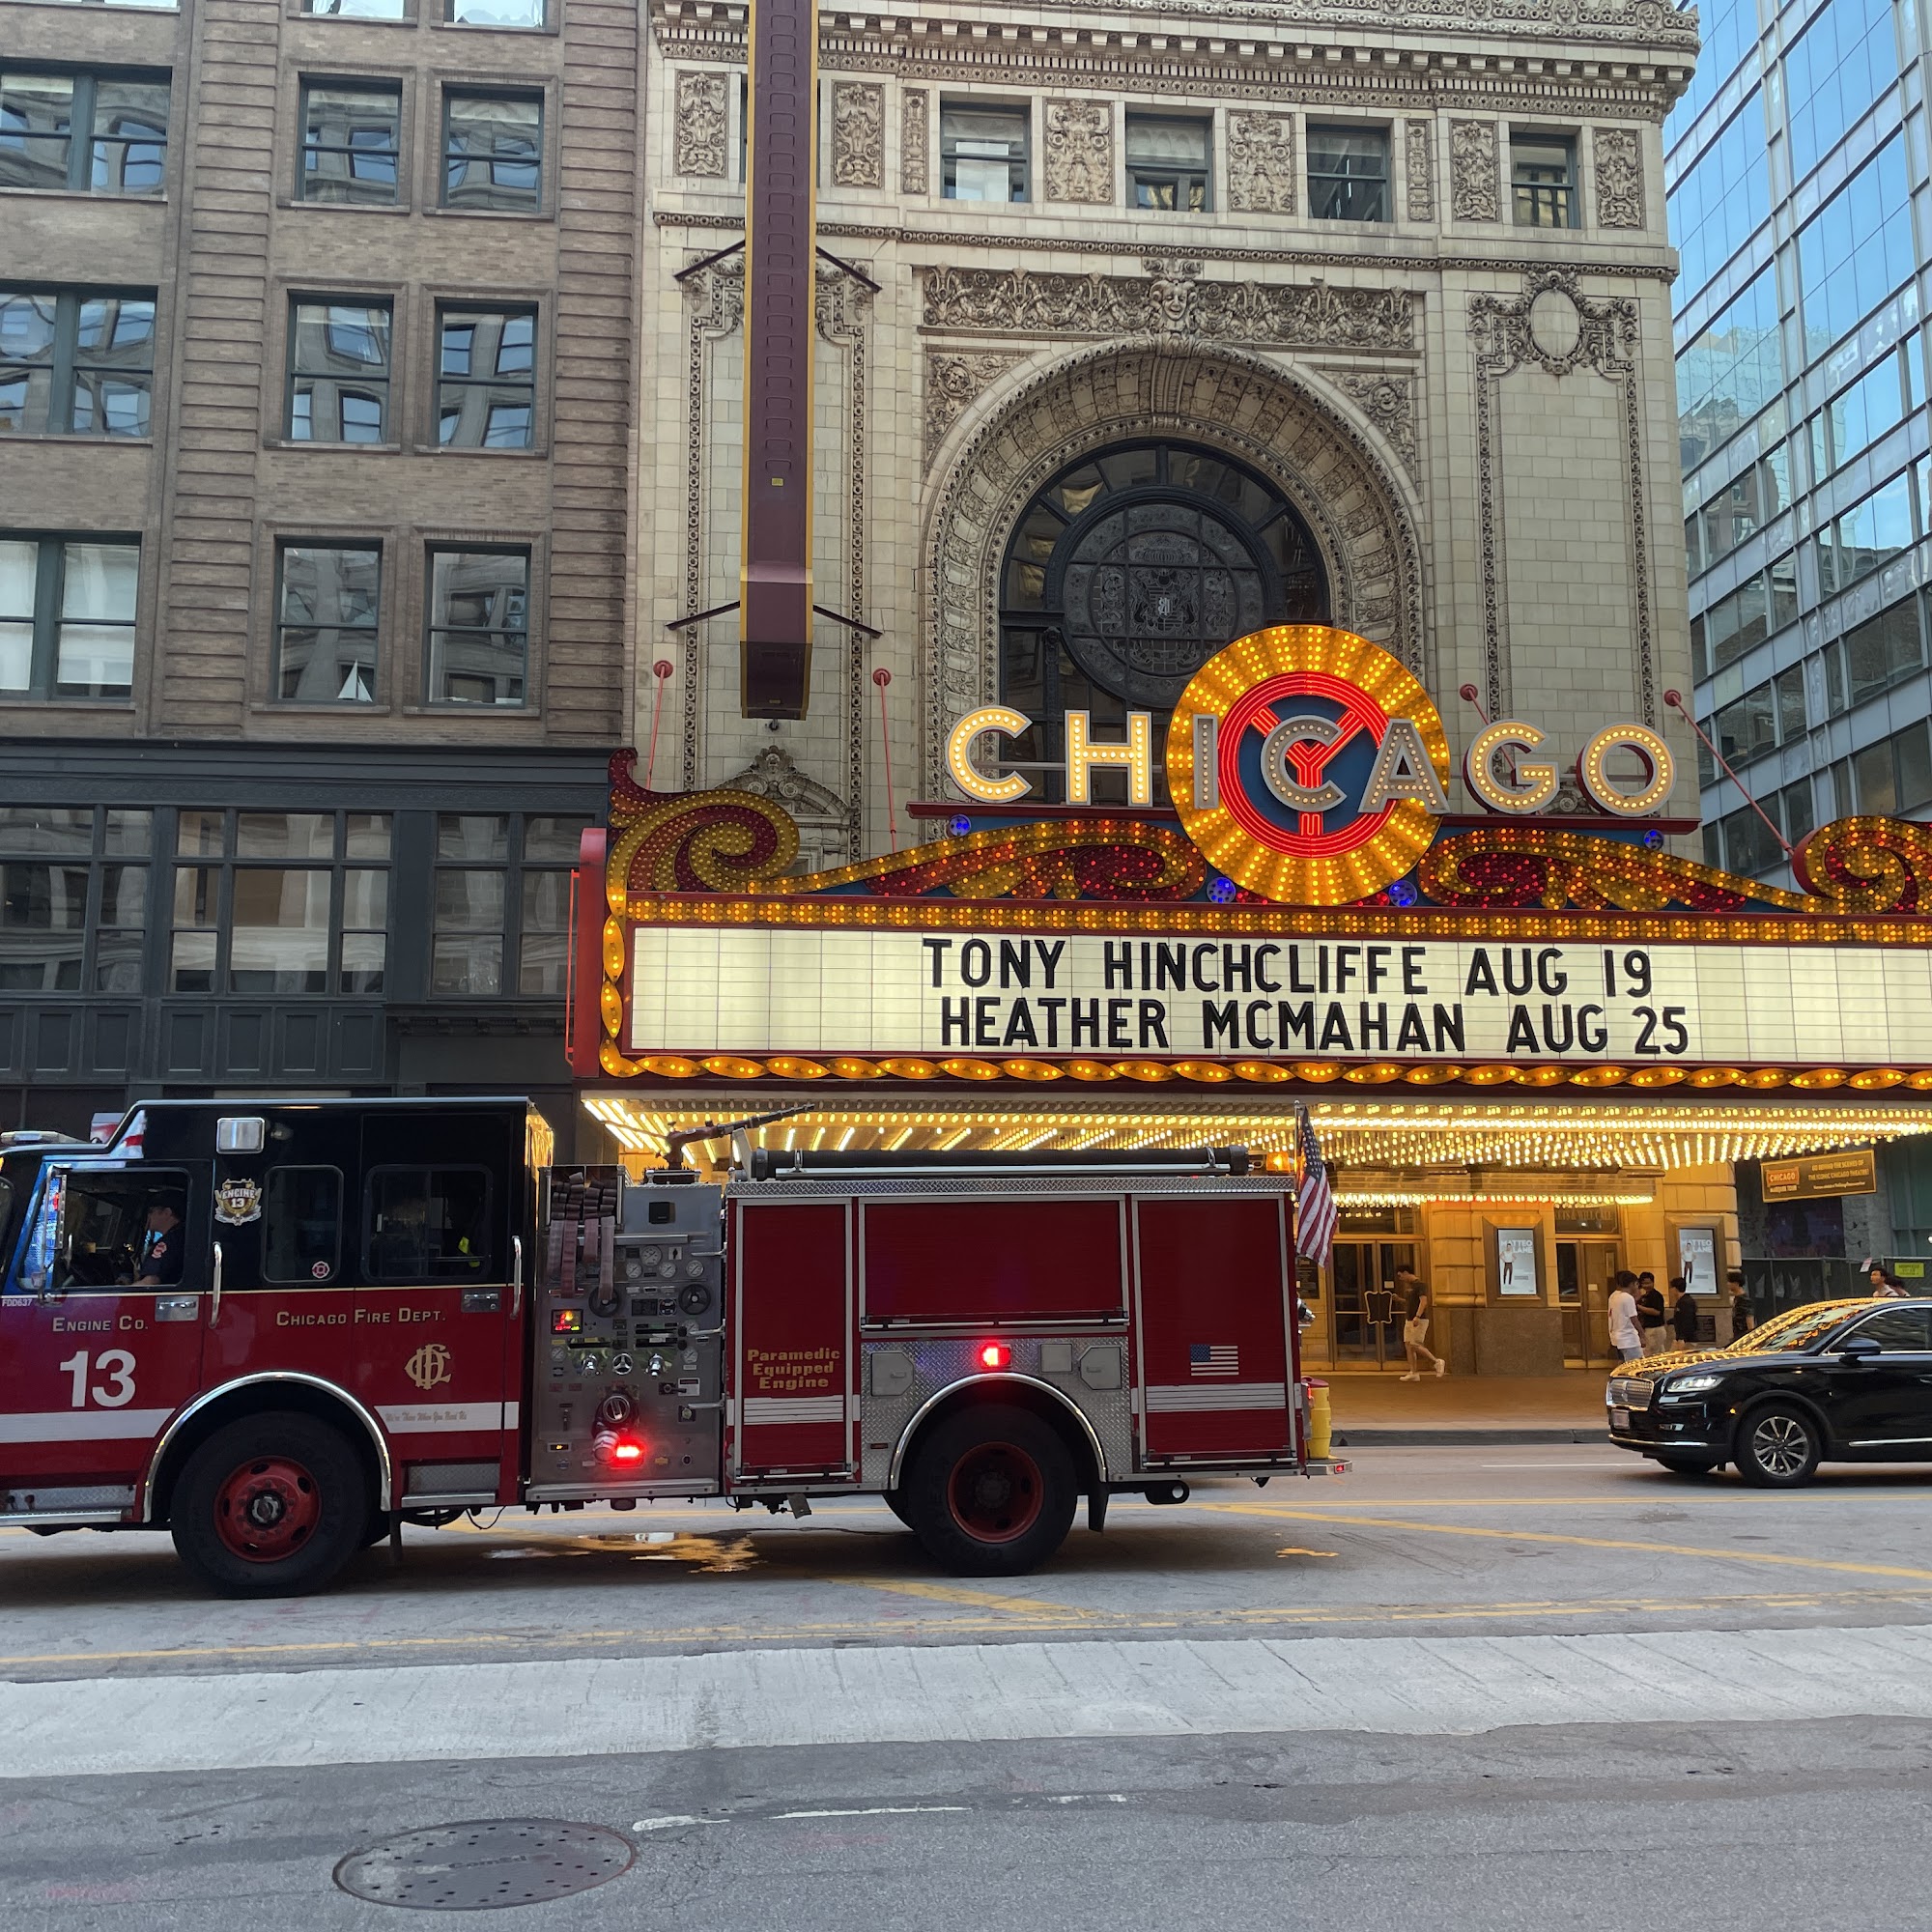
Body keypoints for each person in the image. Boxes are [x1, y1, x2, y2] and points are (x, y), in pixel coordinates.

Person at [1394, 1265, 1446, 1381]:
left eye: (1400, 1275)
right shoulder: (1410, 1287)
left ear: (1406, 1272)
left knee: (1414, 1344)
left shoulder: (1420, 1285)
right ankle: (1413, 1372)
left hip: (1419, 1319)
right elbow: (1410, 1302)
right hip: (1409, 1319)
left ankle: (1436, 1361)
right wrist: (1399, 1300)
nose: (1400, 1278)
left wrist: (1417, 1316)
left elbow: (1423, 1301)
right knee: (1408, 1345)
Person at [133, 1198, 185, 1287]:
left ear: (167, 1212)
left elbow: (150, 1282)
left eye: (151, 1211)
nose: (148, 1216)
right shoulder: (182, 1235)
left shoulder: (168, 1242)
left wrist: (123, 1291)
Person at [1607, 1269, 1644, 1363]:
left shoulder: (1614, 1296)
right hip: (1629, 1339)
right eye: (1636, 1284)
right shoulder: (1627, 1298)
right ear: (1632, 1284)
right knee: (1636, 1365)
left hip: (1617, 1338)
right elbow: (1634, 1319)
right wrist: (1642, 1335)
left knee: (1623, 1364)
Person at [1635, 1270, 1668, 1355]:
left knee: (1650, 1353)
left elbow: (1657, 1312)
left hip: (1654, 1329)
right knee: (1659, 1353)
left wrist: (1639, 1307)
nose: (1646, 1286)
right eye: (1644, 1283)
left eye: (1648, 1283)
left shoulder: (1656, 1296)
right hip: (1647, 1328)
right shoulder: (1642, 1295)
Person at [1669, 1275, 1700, 1349]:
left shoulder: (1685, 1302)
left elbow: (1687, 1320)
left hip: (1687, 1340)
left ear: (1675, 1289)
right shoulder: (1684, 1300)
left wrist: (1682, 1338)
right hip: (1683, 1338)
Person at [1726, 1268, 1752, 1341]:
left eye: (1729, 1282)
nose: (1727, 1284)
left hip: (1743, 1337)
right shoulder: (1737, 1298)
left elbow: (1749, 1319)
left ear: (1736, 1283)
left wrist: (1750, 1337)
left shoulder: (1744, 1300)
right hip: (1738, 1336)